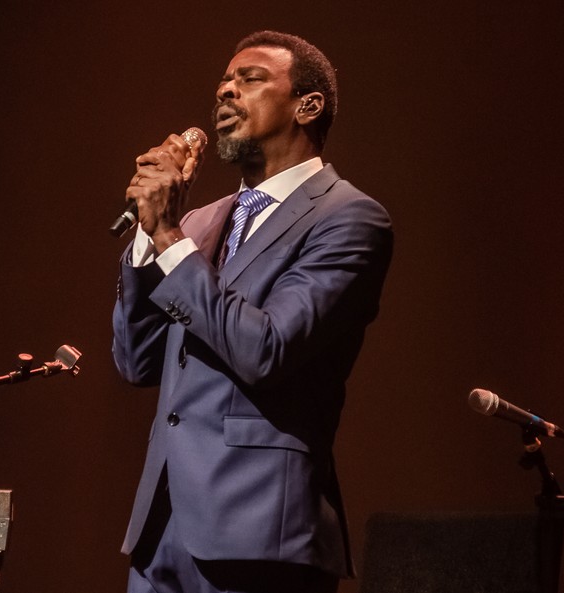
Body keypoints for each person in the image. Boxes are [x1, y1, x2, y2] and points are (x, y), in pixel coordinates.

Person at [111, 30, 393, 593]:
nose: (225, 91)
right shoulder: (201, 223)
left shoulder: (350, 218)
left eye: (251, 79)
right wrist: (148, 241)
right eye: (222, 83)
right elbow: (137, 361)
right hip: (161, 531)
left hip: (260, 530)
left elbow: (267, 350)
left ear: (307, 106)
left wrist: (167, 235)